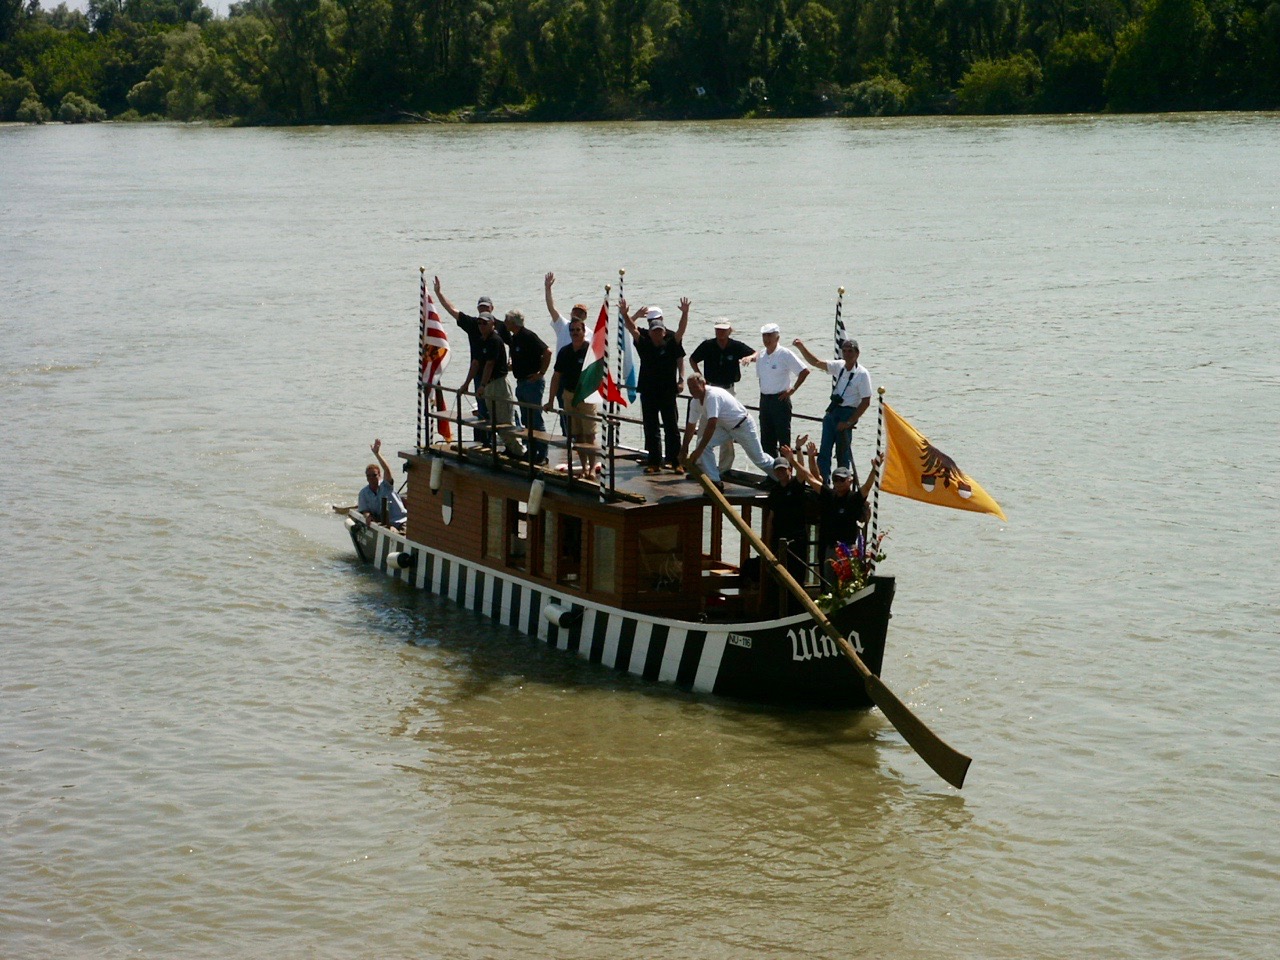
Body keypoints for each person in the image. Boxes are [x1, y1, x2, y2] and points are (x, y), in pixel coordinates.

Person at [794, 440, 882, 587]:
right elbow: (810, 477)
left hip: (848, 548)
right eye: (835, 479)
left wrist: (875, 470)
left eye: (842, 479)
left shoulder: (854, 498)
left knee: (848, 584)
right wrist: (794, 459)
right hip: (830, 548)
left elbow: (867, 486)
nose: (838, 482)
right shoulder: (829, 495)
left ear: (849, 480)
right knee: (829, 584)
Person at [621, 297, 689, 474]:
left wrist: (685, 313)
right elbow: (632, 328)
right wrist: (625, 314)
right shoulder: (644, 344)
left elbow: (681, 330)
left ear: (664, 332)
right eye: (654, 331)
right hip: (648, 391)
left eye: (660, 331)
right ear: (650, 332)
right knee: (651, 427)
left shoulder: (672, 343)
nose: (657, 333)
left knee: (672, 427)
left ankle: (675, 462)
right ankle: (654, 462)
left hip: (667, 392)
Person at [793, 336, 872, 482]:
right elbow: (816, 362)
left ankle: (842, 484)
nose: (847, 354)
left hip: (847, 413)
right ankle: (824, 482)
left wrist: (849, 422)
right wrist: (801, 347)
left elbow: (866, 401)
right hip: (832, 412)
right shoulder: (839, 366)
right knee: (824, 451)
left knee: (843, 453)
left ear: (857, 353)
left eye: (850, 351)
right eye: (845, 351)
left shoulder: (862, 374)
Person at [680, 373, 774, 490]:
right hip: (725, 427)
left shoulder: (712, 396)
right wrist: (684, 449)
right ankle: (715, 481)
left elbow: (712, 424)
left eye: (695, 387)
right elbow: (691, 426)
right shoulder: (695, 402)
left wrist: (698, 451)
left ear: (703, 384)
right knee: (702, 444)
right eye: (690, 388)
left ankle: (783, 476)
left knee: (759, 459)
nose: (692, 391)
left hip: (742, 425)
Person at [433, 277, 494, 444]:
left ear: (492, 309)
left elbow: (511, 341)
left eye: (486, 308)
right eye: (481, 308)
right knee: (482, 409)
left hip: (497, 376)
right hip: (478, 374)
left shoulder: (498, 326)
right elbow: (452, 310)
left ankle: (506, 441)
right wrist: (439, 294)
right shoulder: (472, 324)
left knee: (502, 409)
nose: (483, 311)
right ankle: (486, 442)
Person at [689, 319, 756, 473]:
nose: (720, 332)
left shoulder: (736, 346)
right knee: (704, 427)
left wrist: (749, 358)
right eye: (718, 329)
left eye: (723, 329)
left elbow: (757, 353)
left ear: (729, 330)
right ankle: (700, 465)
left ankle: (724, 468)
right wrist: (699, 376)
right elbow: (693, 359)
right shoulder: (708, 345)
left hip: (728, 391)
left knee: (728, 427)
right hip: (709, 389)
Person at [544, 315, 599, 474]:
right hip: (569, 396)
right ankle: (584, 468)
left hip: (586, 397)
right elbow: (556, 376)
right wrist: (550, 400)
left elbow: (599, 374)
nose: (575, 332)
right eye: (572, 330)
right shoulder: (564, 352)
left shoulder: (591, 350)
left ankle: (592, 469)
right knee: (577, 436)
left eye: (578, 330)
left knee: (589, 435)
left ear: (584, 331)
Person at [499, 309, 552, 465]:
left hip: (532, 383)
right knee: (525, 418)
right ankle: (531, 450)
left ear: (513, 322)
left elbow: (547, 351)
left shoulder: (528, 336)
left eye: (506, 320)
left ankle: (542, 453)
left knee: (535, 418)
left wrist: (541, 372)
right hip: (521, 382)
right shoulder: (515, 338)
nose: (505, 323)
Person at [764, 446, 814, 608]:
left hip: (797, 539)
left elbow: (803, 473)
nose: (780, 473)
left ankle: (797, 608)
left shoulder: (796, 486)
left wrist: (795, 454)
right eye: (777, 470)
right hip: (779, 540)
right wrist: (767, 543)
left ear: (789, 470)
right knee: (779, 577)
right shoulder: (775, 491)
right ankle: (779, 607)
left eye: (783, 470)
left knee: (797, 575)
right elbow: (771, 518)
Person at [750, 322, 809, 456]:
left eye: (770, 336)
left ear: (777, 337)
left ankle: (786, 472)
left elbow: (804, 371)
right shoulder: (762, 355)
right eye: (764, 336)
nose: (767, 339)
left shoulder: (785, 354)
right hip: (765, 400)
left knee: (783, 440)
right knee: (766, 440)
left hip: (780, 399)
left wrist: (792, 389)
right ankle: (772, 473)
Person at [475, 312, 526, 459]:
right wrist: (467, 384)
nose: (481, 326)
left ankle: (520, 452)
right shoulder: (482, 340)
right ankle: (511, 449)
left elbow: (490, 364)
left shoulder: (495, 340)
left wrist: (482, 385)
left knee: (505, 421)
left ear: (492, 324)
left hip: (499, 383)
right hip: (489, 385)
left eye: (485, 323)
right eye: (479, 323)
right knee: (496, 422)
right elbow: (476, 363)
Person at [358, 439, 407, 531]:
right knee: (390, 530)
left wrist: (377, 454)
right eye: (369, 476)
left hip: (401, 521)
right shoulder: (363, 493)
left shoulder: (386, 486)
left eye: (374, 475)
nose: (371, 478)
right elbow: (365, 510)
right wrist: (368, 516)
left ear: (379, 475)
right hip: (385, 525)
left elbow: (387, 470)